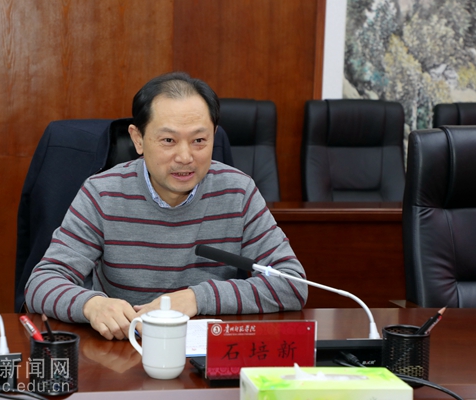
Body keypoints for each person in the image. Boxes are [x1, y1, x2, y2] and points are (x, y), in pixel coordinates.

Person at [25, 72, 308, 340]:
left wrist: (196, 298)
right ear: (138, 139)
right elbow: (41, 283)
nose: (185, 156)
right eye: (168, 140)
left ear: (214, 135)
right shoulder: (102, 193)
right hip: (123, 350)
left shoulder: (238, 191)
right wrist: (92, 305)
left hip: (204, 351)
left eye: (199, 140)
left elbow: (292, 283)